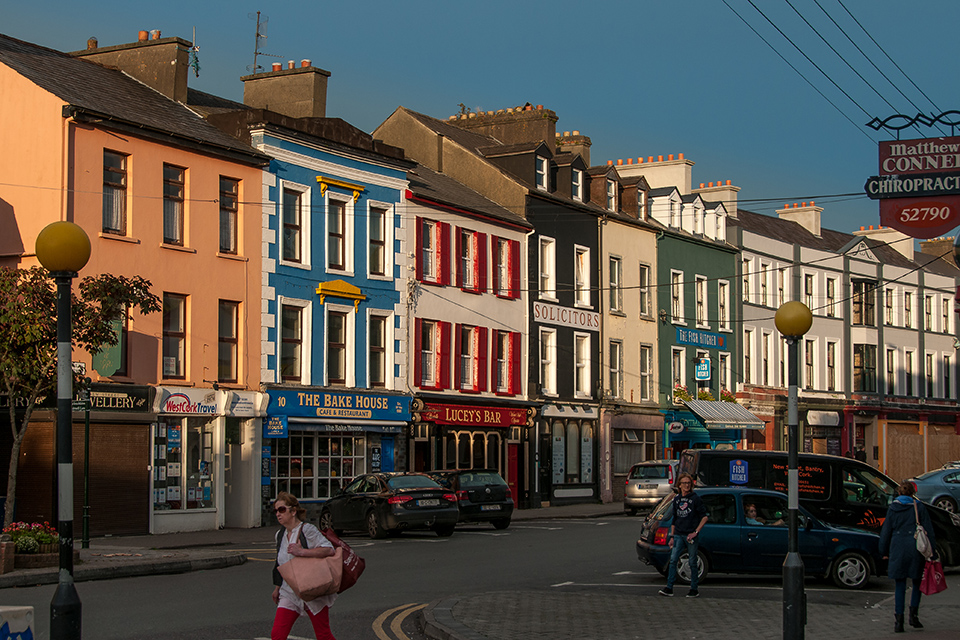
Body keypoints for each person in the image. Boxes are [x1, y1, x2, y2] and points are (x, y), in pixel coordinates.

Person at [271, 491, 338, 640]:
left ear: (293, 511)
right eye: (276, 510)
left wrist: (302, 552)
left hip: (312, 589)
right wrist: (277, 588)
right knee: (277, 635)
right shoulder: (280, 535)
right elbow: (281, 564)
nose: (278, 514)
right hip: (289, 592)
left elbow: (329, 550)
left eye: (282, 509)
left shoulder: (307, 530)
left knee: (323, 634)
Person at [879, 481, 935, 633]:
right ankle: (914, 616)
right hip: (915, 547)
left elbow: (886, 531)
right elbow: (928, 529)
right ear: (912, 493)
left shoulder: (893, 508)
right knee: (917, 582)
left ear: (899, 493)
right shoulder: (918, 507)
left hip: (897, 547)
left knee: (900, 585)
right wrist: (933, 551)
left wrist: (883, 551)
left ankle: (899, 621)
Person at [659, 472, 708, 598]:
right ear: (679, 485)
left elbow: (704, 517)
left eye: (688, 483)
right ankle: (669, 587)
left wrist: (695, 532)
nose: (686, 485)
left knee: (692, 561)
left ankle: (694, 588)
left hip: (690, 535)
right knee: (673, 559)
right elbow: (675, 519)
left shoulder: (695, 499)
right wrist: (671, 536)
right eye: (684, 483)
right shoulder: (677, 500)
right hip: (678, 535)